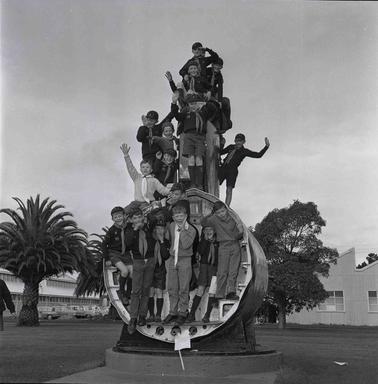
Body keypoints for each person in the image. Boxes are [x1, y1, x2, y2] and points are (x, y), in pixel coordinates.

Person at [170, 93, 218, 189]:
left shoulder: (203, 112)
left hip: (200, 136)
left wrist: (207, 101)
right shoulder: (186, 112)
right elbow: (177, 116)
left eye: (195, 103)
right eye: (191, 103)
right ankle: (193, 183)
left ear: (198, 103)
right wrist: (174, 103)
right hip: (188, 136)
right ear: (188, 104)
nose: (193, 105)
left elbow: (213, 110)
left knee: (199, 159)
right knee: (191, 159)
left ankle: (199, 184)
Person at [201, 201, 244, 301]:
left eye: (223, 211)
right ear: (215, 213)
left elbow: (239, 235)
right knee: (222, 272)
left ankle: (231, 292)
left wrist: (240, 230)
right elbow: (203, 223)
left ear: (226, 209)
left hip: (234, 245)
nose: (222, 214)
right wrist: (207, 215)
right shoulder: (214, 219)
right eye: (219, 212)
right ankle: (219, 295)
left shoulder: (234, 217)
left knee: (233, 271)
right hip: (223, 246)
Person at [163, 201, 197, 325]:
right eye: (176, 216)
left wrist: (182, 230)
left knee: (183, 288)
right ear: (173, 217)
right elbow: (167, 238)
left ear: (186, 216)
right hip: (173, 259)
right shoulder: (171, 226)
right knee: (172, 288)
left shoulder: (192, 230)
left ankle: (183, 312)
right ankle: (172, 312)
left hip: (185, 259)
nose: (179, 218)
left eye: (181, 216)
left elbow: (187, 244)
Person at [125, 208, 156, 334]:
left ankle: (142, 315)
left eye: (139, 217)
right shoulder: (130, 231)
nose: (138, 220)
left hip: (150, 260)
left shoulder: (149, 226)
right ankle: (133, 318)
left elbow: (154, 219)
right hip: (138, 261)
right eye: (135, 218)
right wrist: (135, 229)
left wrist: (147, 216)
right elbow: (127, 244)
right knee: (135, 290)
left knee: (146, 289)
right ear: (131, 220)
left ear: (143, 217)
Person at [219, 134, 270, 206]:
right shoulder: (231, 147)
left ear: (244, 142)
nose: (238, 143)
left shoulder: (245, 151)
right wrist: (222, 143)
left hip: (232, 171)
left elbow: (258, 155)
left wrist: (266, 146)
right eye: (236, 141)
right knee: (215, 182)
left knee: (229, 189)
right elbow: (220, 152)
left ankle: (226, 207)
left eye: (240, 141)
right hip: (224, 167)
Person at [120, 143, 171, 211]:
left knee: (147, 211)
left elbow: (162, 190)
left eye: (147, 167)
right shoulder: (137, 177)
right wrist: (126, 155)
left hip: (148, 202)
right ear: (140, 169)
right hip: (136, 202)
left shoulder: (154, 180)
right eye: (143, 167)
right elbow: (130, 167)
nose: (145, 169)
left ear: (151, 170)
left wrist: (171, 192)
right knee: (124, 211)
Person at [186, 225, 219, 323]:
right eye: (206, 230)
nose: (209, 232)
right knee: (200, 289)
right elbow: (200, 251)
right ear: (203, 231)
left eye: (211, 229)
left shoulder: (218, 242)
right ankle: (191, 315)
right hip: (204, 267)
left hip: (214, 268)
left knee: (212, 291)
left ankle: (207, 315)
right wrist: (205, 240)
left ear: (214, 231)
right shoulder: (202, 242)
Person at [102, 206, 132, 305]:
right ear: (112, 219)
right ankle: (122, 293)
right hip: (115, 254)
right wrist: (107, 259)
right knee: (124, 271)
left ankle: (128, 294)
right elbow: (104, 244)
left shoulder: (129, 227)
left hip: (126, 254)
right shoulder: (111, 230)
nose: (118, 218)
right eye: (115, 217)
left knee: (132, 273)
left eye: (120, 216)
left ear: (124, 216)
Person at [147, 220, 170, 323]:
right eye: (157, 228)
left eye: (162, 228)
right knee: (150, 291)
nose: (159, 230)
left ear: (165, 230)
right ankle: (151, 314)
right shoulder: (150, 240)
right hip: (150, 268)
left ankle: (158, 315)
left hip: (160, 269)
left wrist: (161, 242)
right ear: (154, 229)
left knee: (159, 291)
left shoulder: (166, 241)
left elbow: (165, 256)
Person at [206, 58, 232, 132]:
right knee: (215, 105)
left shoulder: (219, 76)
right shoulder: (207, 71)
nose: (217, 68)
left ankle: (226, 122)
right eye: (216, 65)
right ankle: (214, 124)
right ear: (212, 65)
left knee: (226, 101)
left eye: (219, 66)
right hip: (205, 91)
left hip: (214, 92)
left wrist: (220, 100)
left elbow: (220, 88)